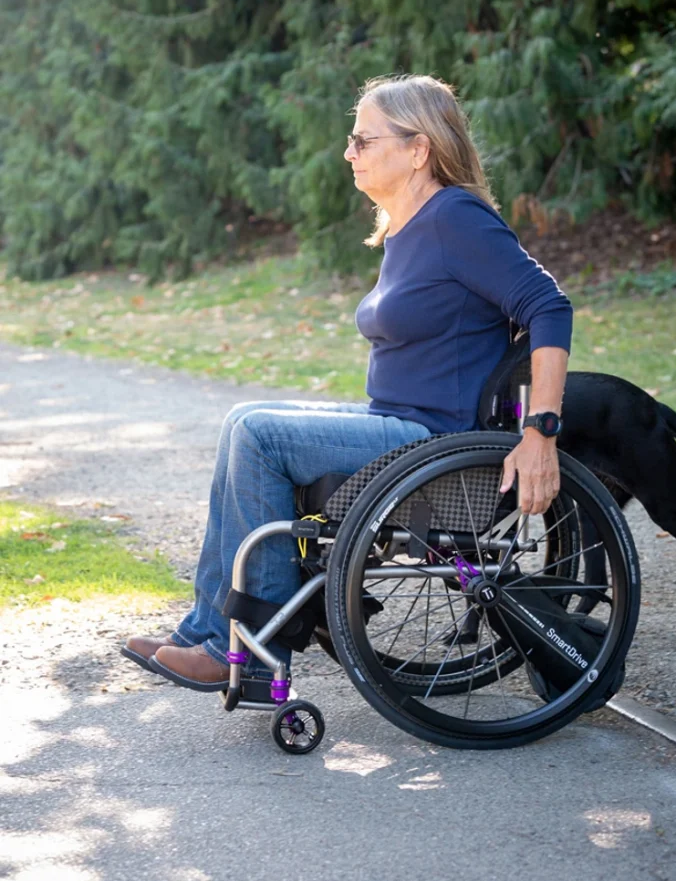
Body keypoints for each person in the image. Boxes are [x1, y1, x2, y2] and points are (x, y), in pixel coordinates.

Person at [122, 73, 573, 692]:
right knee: (243, 419)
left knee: (257, 434)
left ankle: (255, 648)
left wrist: (540, 431)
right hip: (399, 422)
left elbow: (548, 306)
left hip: (434, 440)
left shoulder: (456, 220)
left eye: (363, 140)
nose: (348, 152)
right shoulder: (409, 227)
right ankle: (207, 632)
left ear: (418, 149)